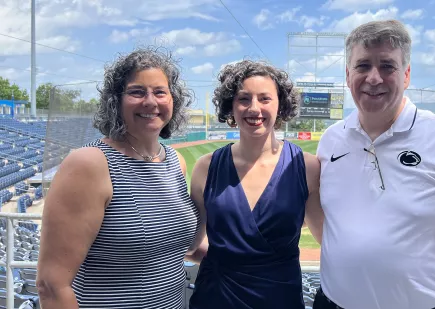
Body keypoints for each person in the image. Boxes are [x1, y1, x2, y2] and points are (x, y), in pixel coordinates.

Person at [314, 19, 435, 309]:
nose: (374, 78)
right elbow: (330, 223)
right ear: (348, 74)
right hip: (333, 303)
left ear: (407, 75)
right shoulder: (330, 140)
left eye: (387, 66)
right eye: (363, 66)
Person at [36, 46, 203, 308]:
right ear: (116, 100)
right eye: (137, 92)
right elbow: (51, 286)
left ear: (173, 100)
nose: (150, 102)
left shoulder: (174, 162)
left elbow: (171, 248)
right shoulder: (90, 164)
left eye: (160, 92)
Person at [187, 60, 324, 309]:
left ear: (280, 105)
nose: (254, 108)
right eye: (243, 99)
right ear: (231, 106)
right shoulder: (206, 168)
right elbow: (191, 243)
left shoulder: (308, 167)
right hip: (216, 298)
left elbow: (328, 239)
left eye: (265, 99)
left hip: (280, 299)